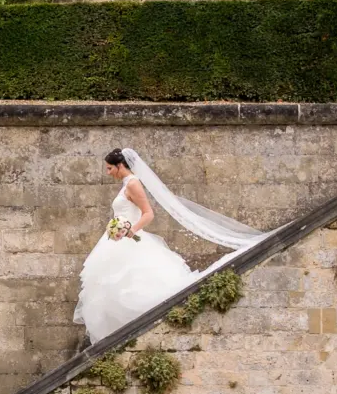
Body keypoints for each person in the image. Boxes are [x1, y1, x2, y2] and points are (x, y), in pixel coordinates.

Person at [73, 148, 273, 345]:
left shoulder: (133, 184)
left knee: (133, 285)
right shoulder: (126, 184)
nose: (108, 173)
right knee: (111, 287)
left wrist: (130, 230)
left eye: (109, 168)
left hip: (129, 239)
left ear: (119, 166)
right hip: (117, 242)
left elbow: (148, 213)